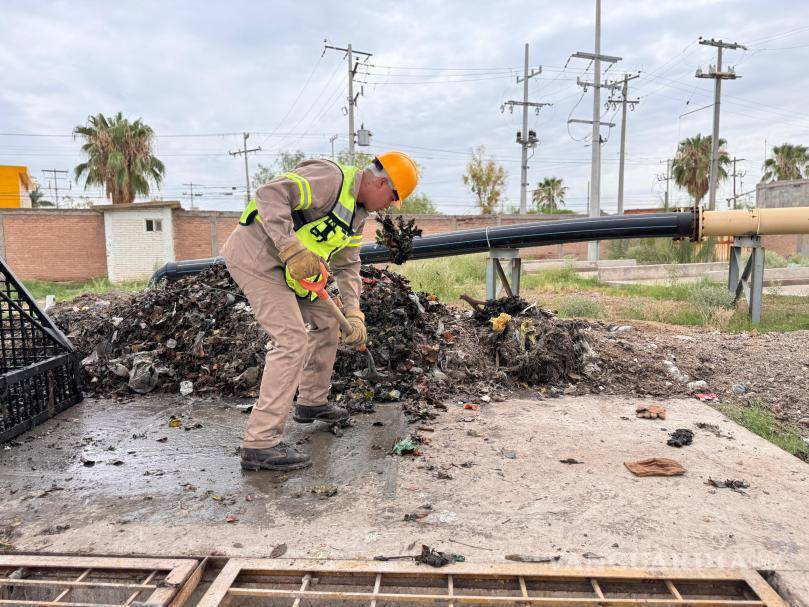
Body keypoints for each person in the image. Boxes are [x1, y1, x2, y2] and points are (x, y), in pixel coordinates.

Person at [221, 152, 419, 471]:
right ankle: (260, 443)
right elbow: (269, 194)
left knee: (329, 321)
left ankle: (312, 402)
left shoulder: (357, 216)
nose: (386, 207)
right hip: (258, 258)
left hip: (294, 272)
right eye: (391, 198)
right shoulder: (331, 179)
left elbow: (349, 265)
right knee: (291, 340)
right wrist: (291, 248)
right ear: (382, 183)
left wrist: (353, 313)